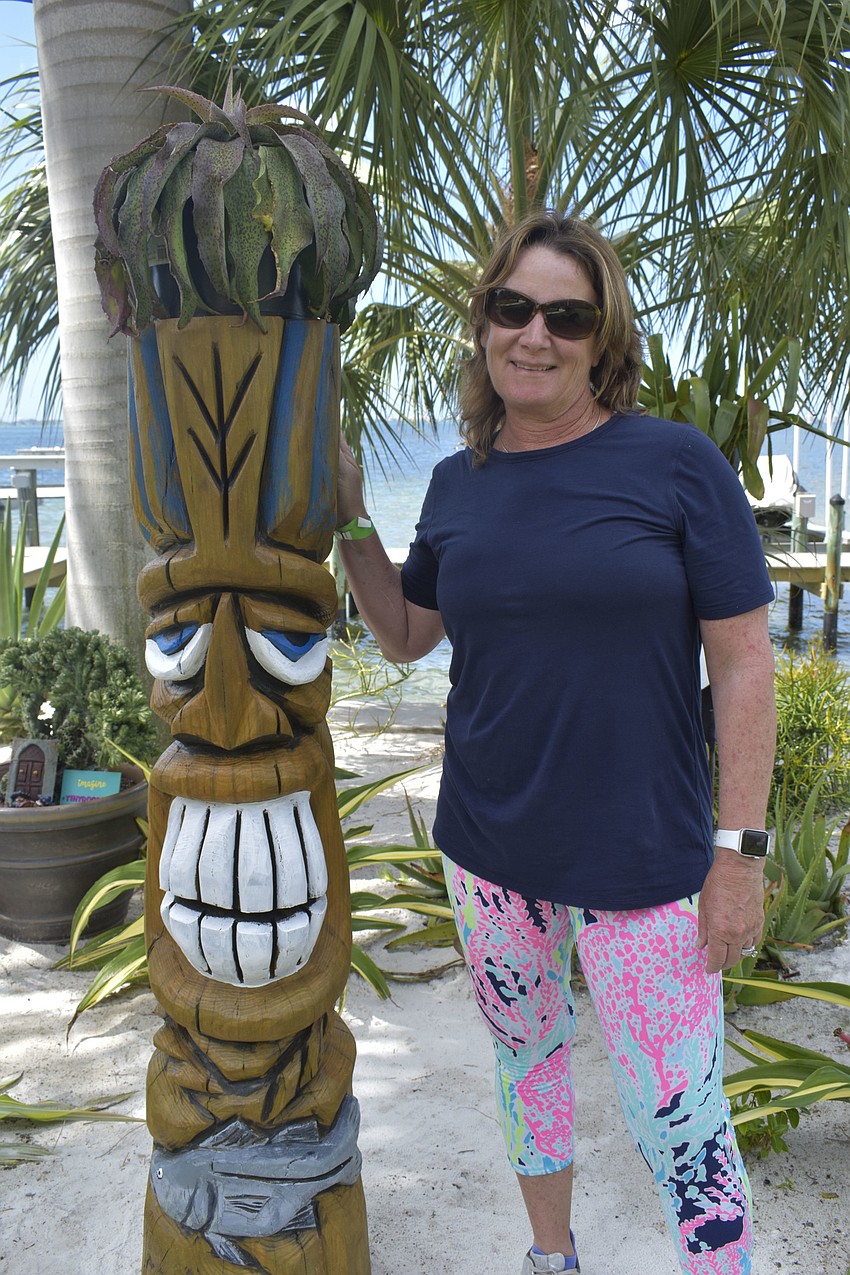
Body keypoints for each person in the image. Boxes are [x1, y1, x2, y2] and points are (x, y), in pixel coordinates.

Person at [335, 211, 775, 1275]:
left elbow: (747, 664)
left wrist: (739, 858)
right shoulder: (455, 481)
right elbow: (404, 637)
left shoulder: (675, 464)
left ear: (602, 339)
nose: (534, 335)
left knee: (676, 1110)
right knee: (524, 1066)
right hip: (489, 852)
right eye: (512, 308)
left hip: (645, 861)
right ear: (484, 320)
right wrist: (351, 519)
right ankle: (551, 1258)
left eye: (566, 317)